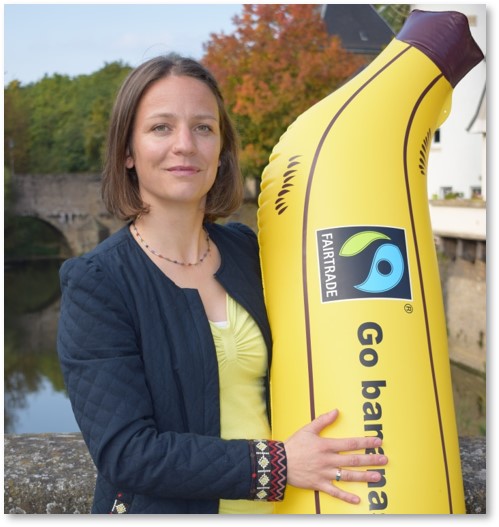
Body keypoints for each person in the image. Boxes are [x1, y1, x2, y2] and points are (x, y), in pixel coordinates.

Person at [57, 53, 388, 515]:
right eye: (161, 128)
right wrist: (280, 464)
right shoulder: (98, 283)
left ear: (221, 149)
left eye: (203, 127)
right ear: (127, 152)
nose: (185, 145)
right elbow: (127, 452)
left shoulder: (248, 251)